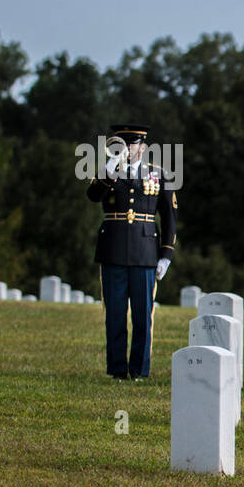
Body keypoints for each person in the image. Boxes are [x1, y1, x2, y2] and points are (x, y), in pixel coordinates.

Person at [86, 125, 178, 380]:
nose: (128, 148)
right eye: (123, 143)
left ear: (143, 147)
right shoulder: (108, 172)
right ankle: (117, 369)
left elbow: (170, 218)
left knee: (142, 315)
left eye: (133, 143)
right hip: (113, 250)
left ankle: (139, 370)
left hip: (145, 251)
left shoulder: (159, 175)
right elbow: (93, 195)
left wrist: (166, 255)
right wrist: (112, 165)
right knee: (115, 314)